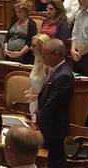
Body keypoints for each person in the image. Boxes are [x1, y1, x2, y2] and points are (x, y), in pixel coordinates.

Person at [37, 38, 74, 168]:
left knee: (55, 161)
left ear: (56, 54)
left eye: (45, 54)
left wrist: (37, 123)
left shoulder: (64, 75)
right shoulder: (56, 70)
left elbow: (52, 105)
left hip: (54, 128)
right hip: (50, 126)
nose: (42, 57)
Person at [4, 0, 37, 64]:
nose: (17, 14)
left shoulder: (31, 24)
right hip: (9, 55)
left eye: (20, 12)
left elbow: (30, 42)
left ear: (26, 12)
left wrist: (19, 53)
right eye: (16, 12)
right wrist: (5, 50)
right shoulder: (13, 21)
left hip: (24, 57)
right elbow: (7, 37)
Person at [26, 34, 50, 119]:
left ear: (42, 47)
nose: (31, 48)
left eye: (34, 46)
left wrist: (37, 97)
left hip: (43, 106)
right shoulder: (36, 60)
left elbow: (50, 90)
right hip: (33, 103)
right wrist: (30, 91)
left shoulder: (48, 66)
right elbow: (34, 82)